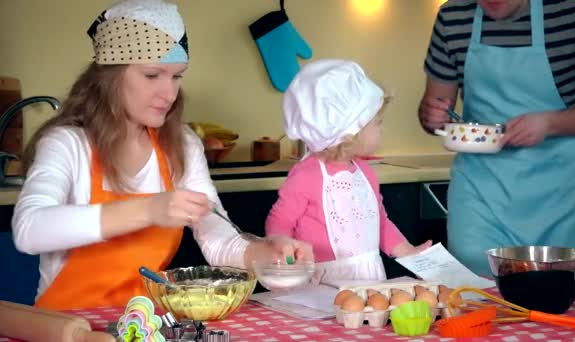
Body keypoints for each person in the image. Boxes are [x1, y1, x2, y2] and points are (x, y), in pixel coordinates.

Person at [11, 0, 312, 310]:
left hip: (146, 324)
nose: (168, 94)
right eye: (153, 75)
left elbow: (219, 239)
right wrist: (149, 210)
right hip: (67, 327)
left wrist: (266, 254)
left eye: (176, 76)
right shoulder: (67, 144)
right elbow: (29, 229)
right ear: (110, 76)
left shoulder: (181, 145)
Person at [419, 0, 575, 276]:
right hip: (482, 190)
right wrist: (432, 116)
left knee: (562, 301)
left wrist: (550, 123)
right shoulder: (453, 16)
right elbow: (436, 106)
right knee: (475, 293)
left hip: (565, 193)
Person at [266, 59, 432, 284]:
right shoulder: (307, 175)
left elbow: (380, 222)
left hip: (371, 278)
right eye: (377, 123)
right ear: (349, 133)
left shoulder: (365, 172)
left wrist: (408, 252)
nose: (382, 130)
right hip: (324, 283)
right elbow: (281, 220)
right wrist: (281, 246)